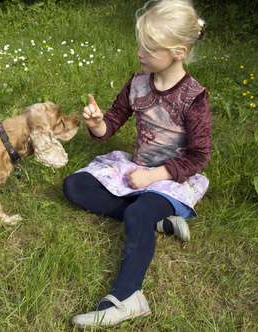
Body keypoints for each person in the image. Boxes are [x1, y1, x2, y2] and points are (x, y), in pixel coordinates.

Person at [63, 0, 211, 328]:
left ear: (179, 52)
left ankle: (128, 297)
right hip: (138, 168)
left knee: (138, 211)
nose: (140, 53)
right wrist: (98, 123)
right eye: (139, 45)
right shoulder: (138, 82)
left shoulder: (193, 98)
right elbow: (112, 124)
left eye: (149, 48)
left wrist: (153, 176)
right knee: (74, 186)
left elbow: (199, 156)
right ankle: (158, 223)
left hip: (172, 177)